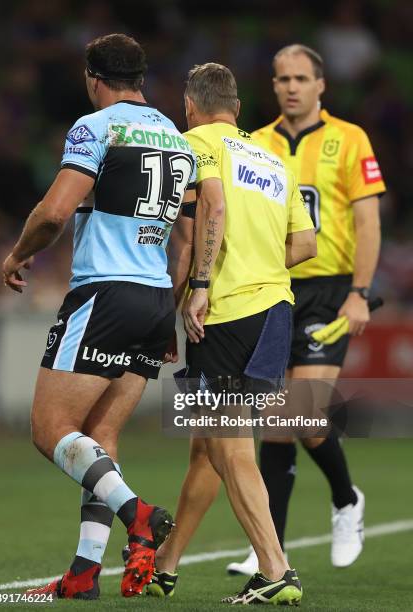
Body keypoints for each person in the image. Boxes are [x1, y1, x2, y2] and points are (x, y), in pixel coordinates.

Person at [2, 33, 196, 600]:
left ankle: (138, 514)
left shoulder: (96, 127)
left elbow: (55, 211)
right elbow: (184, 240)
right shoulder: (175, 139)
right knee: (100, 436)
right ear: (141, 76)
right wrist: (170, 308)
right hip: (157, 298)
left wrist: (18, 254)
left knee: (48, 430)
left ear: (93, 77)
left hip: (105, 293)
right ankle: (86, 573)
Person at [147, 62, 316, 605]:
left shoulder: (192, 141)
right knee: (209, 447)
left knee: (229, 445)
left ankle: (275, 568)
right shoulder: (271, 158)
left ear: (190, 106)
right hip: (274, 311)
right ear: (238, 109)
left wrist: (195, 287)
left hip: (225, 314)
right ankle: (166, 566)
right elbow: (307, 246)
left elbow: (204, 215)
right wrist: (256, 264)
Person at [227, 44, 385, 576]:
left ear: (321, 84)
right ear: (271, 86)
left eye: (301, 77)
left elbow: (367, 222)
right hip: (273, 289)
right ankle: (270, 549)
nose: (291, 86)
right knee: (274, 424)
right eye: (281, 78)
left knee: (303, 410)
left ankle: (345, 500)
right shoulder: (257, 144)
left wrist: (360, 291)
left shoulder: (350, 139)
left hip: (328, 289)